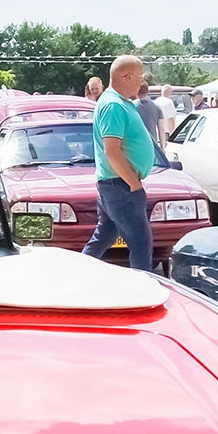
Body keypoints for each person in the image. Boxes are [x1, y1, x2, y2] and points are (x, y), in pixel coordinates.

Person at [82, 55, 154, 272]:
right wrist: (133, 183)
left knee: (104, 237)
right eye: (140, 77)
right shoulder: (113, 105)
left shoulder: (119, 102)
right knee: (141, 244)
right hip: (120, 186)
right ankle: (143, 291)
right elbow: (111, 150)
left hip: (115, 184)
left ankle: (77, 274)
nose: (142, 82)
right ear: (128, 76)